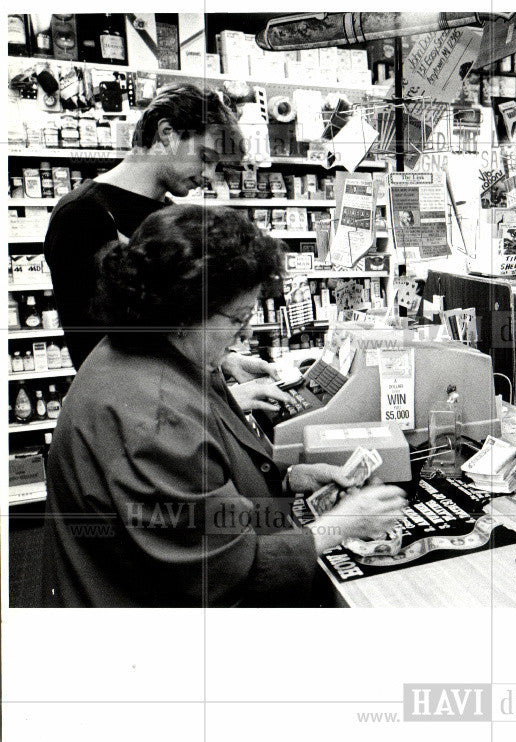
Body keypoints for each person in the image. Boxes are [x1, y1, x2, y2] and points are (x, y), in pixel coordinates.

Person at [39, 205, 407, 607]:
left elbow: (201, 496)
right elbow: (226, 574)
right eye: (238, 318)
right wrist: (340, 525)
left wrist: (286, 480)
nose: (246, 332)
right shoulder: (155, 417)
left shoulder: (155, 348)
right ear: (183, 309)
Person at [43, 82, 286, 412]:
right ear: (167, 133)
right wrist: (213, 405)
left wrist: (225, 361)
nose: (210, 175)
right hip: (131, 421)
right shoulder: (84, 215)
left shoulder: (173, 219)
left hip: (172, 404)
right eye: (205, 157)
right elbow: (97, 354)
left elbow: (176, 326)